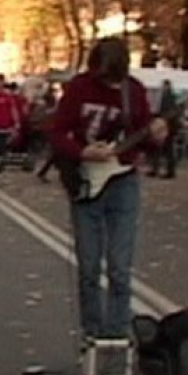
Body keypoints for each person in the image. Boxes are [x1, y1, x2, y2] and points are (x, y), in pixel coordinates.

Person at [48, 37, 167, 342]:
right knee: (88, 265)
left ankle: (116, 334)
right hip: (86, 179)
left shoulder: (134, 91)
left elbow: (145, 136)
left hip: (122, 178)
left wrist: (157, 135)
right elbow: (58, 132)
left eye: (114, 78)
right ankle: (92, 332)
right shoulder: (79, 88)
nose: (110, 85)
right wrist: (83, 152)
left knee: (119, 265)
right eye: (105, 78)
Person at [148, 79, 180, 179]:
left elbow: (170, 112)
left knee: (167, 150)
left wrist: (162, 119)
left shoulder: (169, 98)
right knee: (161, 149)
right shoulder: (169, 97)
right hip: (167, 126)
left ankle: (169, 171)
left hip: (168, 127)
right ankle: (157, 169)